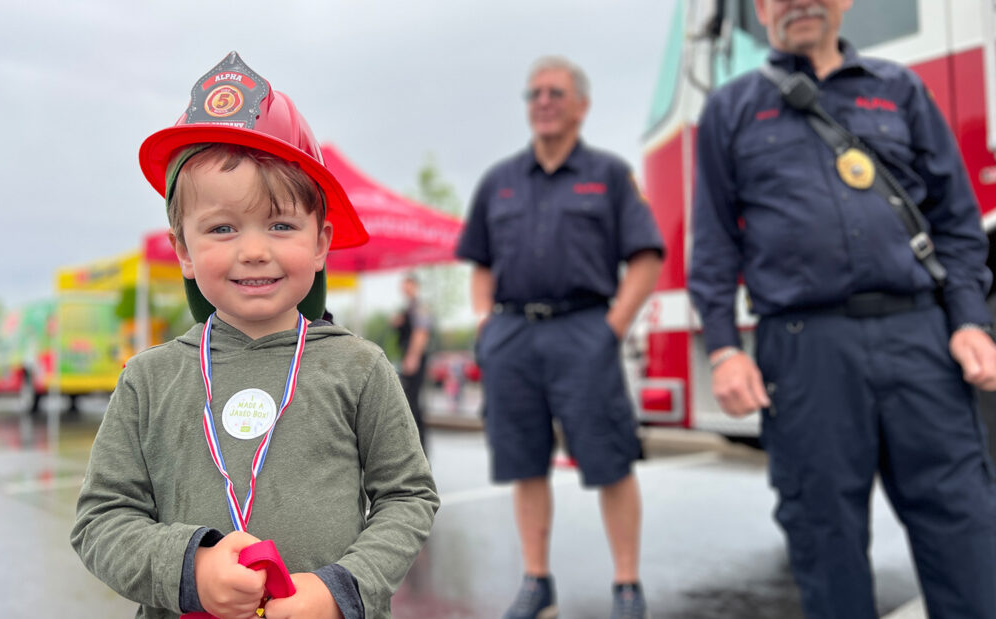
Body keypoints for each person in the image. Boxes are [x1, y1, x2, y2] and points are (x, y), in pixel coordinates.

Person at [70, 52, 439, 619]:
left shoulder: (360, 368)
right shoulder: (148, 379)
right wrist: (189, 568)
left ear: (320, 243)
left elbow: (408, 498)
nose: (254, 250)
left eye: (281, 224)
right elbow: (100, 521)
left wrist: (341, 590)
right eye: (222, 228)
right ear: (184, 251)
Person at [688, 2, 996, 617]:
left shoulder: (902, 90)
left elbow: (958, 224)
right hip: (805, 350)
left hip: (920, 340)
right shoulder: (730, 109)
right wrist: (724, 349)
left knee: (966, 531)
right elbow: (715, 244)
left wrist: (969, 320)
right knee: (825, 540)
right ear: (761, 9)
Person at [457, 55, 664, 619]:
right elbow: (478, 260)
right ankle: (536, 581)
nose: (542, 102)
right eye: (533, 94)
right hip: (513, 335)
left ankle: (627, 586)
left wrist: (611, 328)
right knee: (525, 462)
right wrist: (484, 321)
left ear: (581, 106)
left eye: (554, 92)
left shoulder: (610, 175)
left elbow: (646, 257)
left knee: (610, 460)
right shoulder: (499, 182)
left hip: (584, 331)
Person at [392, 273, 432, 448]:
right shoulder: (409, 308)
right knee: (410, 399)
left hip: (414, 357)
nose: (404, 289)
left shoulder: (418, 306)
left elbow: (421, 333)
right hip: (408, 355)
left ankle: (419, 444)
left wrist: (413, 356)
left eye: (407, 285)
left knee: (413, 401)